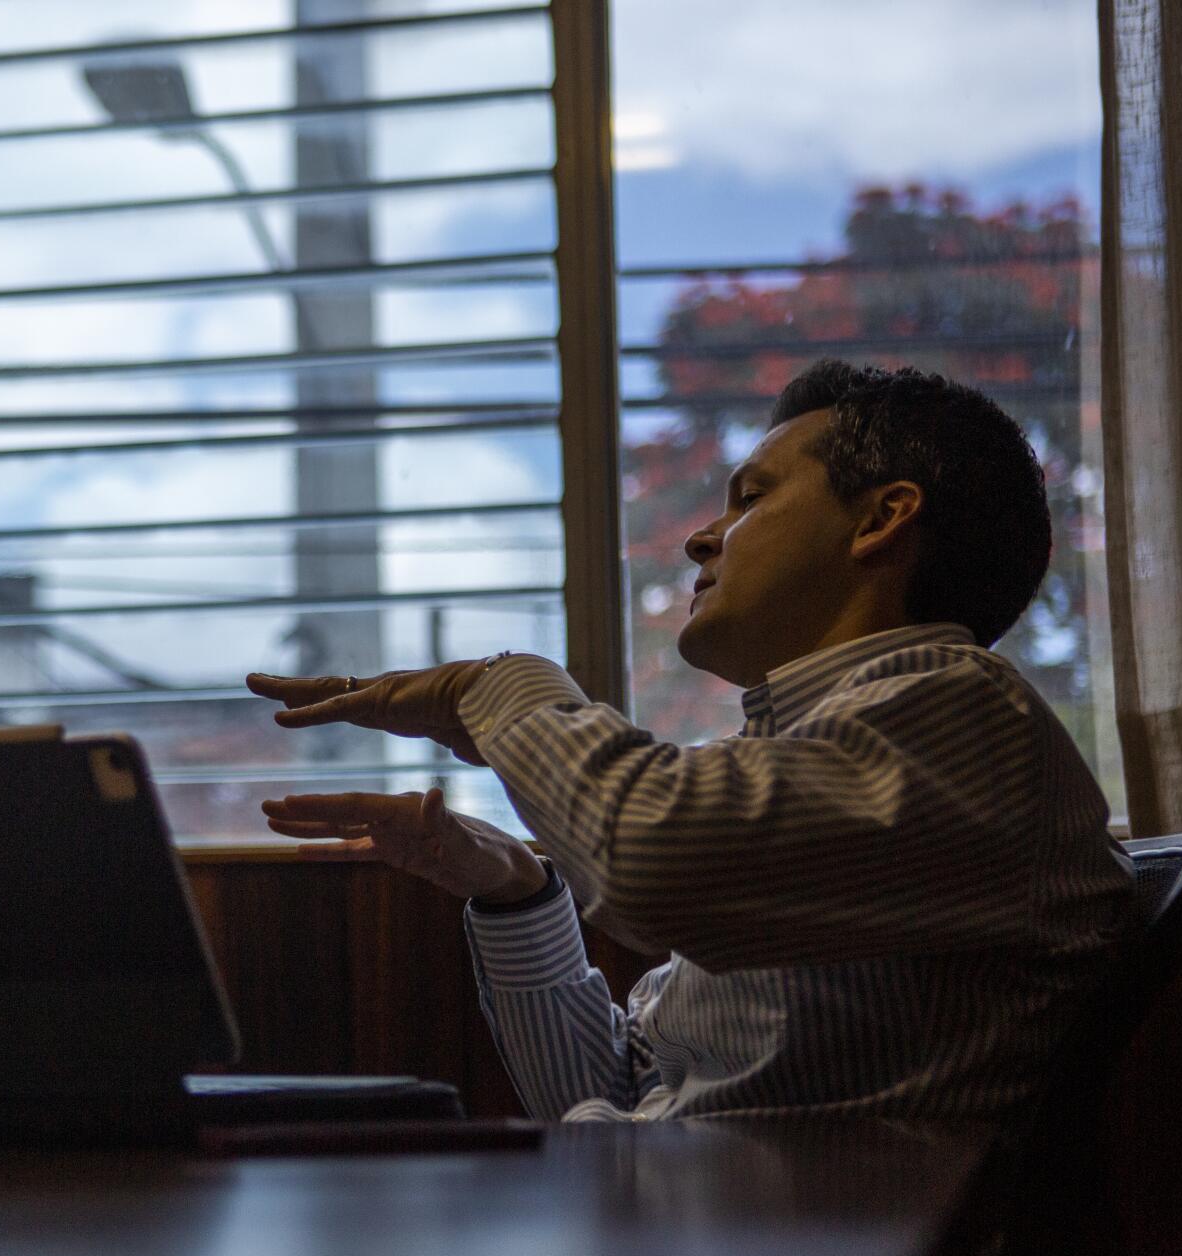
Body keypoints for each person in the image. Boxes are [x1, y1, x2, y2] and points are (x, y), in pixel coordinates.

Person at [247, 359, 1133, 1123]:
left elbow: (649, 860)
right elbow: (628, 1096)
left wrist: (496, 681)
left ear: (881, 520)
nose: (703, 537)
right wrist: (516, 894)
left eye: (752, 497)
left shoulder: (967, 717)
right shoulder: (817, 761)